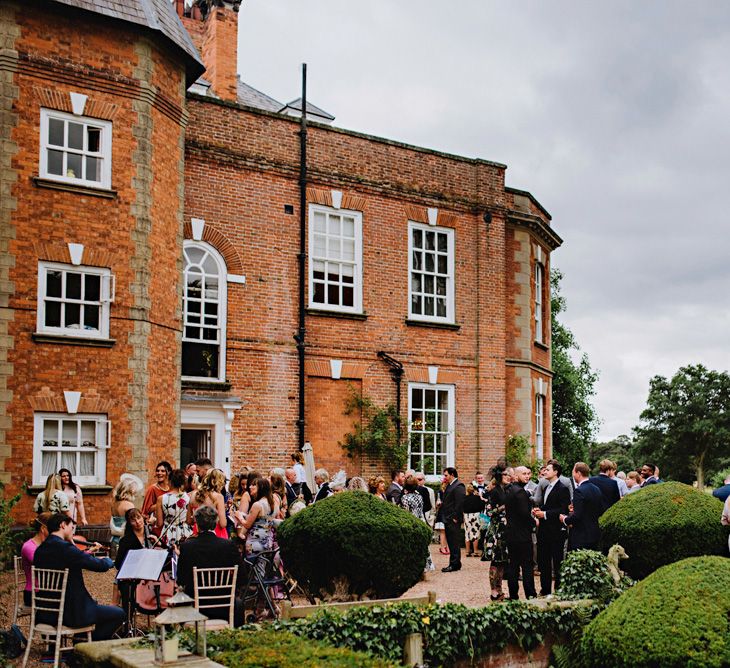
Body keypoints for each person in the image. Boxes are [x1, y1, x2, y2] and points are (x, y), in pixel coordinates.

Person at [33, 513, 124, 640]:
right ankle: (83, 644)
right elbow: (99, 566)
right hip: (71, 611)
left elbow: (77, 558)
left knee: (97, 606)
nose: (72, 532)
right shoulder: (65, 549)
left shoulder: (39, 550)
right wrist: (109, 561)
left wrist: (72, 545)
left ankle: (78, 640)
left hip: (47, 611)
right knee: (118, 613)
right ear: (62, 525)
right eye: (71, 528)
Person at [177, 506, 242, 625]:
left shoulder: (187, 546)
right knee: (238, 602)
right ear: (216, 522)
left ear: (196, 523)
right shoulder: (228, 545)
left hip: (195, 607)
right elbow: (242, 577)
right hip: (224, 606)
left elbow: (181, 579)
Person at [532, 459, 571, 596]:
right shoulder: (546, 486)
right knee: (544, 562)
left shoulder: (563, 488)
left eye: (547, 470)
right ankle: (545, 589)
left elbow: (563, 510)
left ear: (555, 472)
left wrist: (545, 514)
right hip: (544, 531)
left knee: (557, 562)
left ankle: (559, 590)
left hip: (556, 531)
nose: (544, 472)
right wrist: (538, 511)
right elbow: (548, 505)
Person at [504, 466, 537, 600]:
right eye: (524, 474)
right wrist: (534, 523)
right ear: (516, 476)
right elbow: (524, 514)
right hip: (522, 535)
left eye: (528, 474)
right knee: (527, 566)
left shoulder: (510, 490)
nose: (527, 476)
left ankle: (513, 595)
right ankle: (530, 594)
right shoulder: (520, 492)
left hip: (511, 534)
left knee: (513, 566)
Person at [114, 508, 152, 608]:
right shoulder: (125, 540)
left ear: (142, 517)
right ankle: (127, 619)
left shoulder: (152, 535)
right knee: (126, 586)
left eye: (139, 518)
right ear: (129, 523)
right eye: (133, 520)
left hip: (150, 573)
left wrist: (159, 543)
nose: (137, 522)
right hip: (133, 576)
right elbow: (118, 564)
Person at [483, 466, 512, 601]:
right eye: (505, 474)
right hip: (496, 531)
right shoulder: (494, 491)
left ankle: (499, 589)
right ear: (500, 476)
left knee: (502, 562)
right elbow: (488, 513)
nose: (508, 476)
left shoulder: (505, 489)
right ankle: (494, 591)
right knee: (495, 561)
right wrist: (503, 507)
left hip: (504, 529)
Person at [560, 462, 603, 551]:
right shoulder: (597, 489)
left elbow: (577, 516)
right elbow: (600, 510)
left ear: (578, 473)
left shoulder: (579, 491)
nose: (573, 475)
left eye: (573, 472)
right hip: (594, 533)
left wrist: (565, 519)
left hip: (581, 535)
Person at [240, 477, 278, 567]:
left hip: (255, 542)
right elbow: (262, 520)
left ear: (260, 488)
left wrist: (239, 517)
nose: (250, 487)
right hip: (267, 541)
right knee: (260, 569)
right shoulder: (273, 504)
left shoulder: (257, 505)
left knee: (253, 570)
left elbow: (247, 525)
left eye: (253, 485)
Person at [401, 476, 434, 571]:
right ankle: (424, 567)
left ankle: (412, 568)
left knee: (411, 546)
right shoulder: (419, 496)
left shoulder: (405, 498)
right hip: (421, 520)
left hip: (411, 522)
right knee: (422, 546)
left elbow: (407, 512)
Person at [20, 512, 52, 605]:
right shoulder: (29, 547)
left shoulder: (48, 544)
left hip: (47, 591)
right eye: (53, 528)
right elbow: (45, 564)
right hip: (34, 593)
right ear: (43, 528)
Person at [155, 468, 193, 546]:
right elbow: (189, 521)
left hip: (168, 533)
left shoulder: (161, 498)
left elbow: (159, 523)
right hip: (184, 532)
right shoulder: (188, 497)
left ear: (170, 481)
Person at [188, 469, 228, 538]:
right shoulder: (218, 497)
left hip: (197, 533)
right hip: (215, 534)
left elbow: (189, 520)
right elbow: (222, 524)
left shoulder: (193, 495)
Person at [440, 467, 466, 572]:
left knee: (454, 542)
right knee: (451, 541)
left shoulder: (459, 486)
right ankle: (456, 563)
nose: (444, 477)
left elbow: (460, 503)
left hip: (453, 519)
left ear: (452, 474)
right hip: (448, 517)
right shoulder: (450, 485)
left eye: (446, 475)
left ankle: (454, 564)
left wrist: (455, 517)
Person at [110, 474, 141, 552]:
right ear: (130, 490)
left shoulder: (114, 504)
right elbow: (134, 522)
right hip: (125, 539)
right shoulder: (129, 505)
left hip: (114, 538)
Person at [462, 484, 485, 557]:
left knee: (467, 533)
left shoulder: (464, 498)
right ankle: (475, 551)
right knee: (476, 533)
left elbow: (462, 507)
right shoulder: (477, 498)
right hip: (476, 515)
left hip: (467, 516)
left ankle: (467, 551)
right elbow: (482, 506)